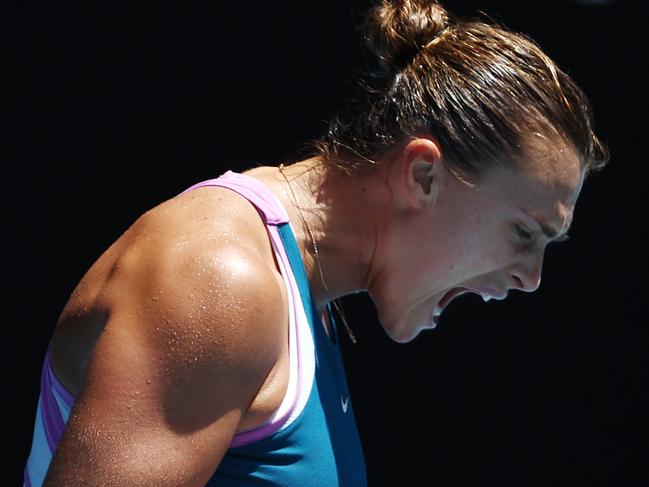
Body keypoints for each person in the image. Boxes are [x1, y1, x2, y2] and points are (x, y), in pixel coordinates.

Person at [23, 0, 608, 485]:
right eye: (525, 232)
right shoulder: (220, 279)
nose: (530, 277)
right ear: (422, 176)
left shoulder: (307, 301)